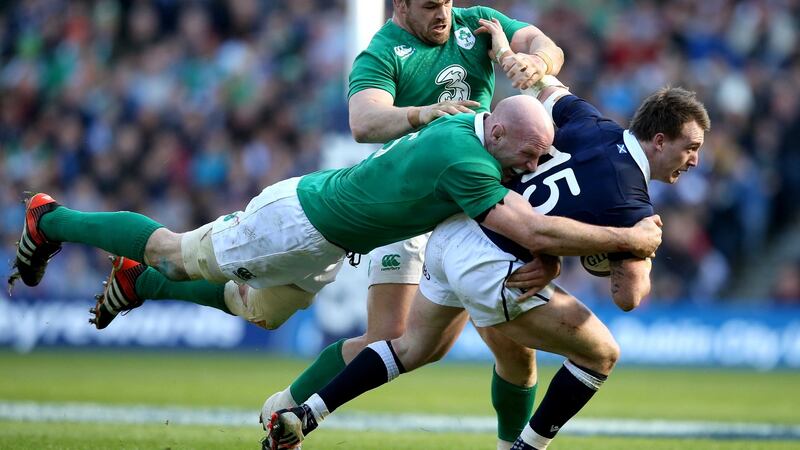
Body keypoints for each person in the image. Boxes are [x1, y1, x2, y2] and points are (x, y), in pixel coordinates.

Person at [9, 94, 661, 348]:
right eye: (529, 151)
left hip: (332, 236)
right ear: (503, 134)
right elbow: (534, 229)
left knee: (259, 310)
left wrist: (547, 252)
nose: (535, 161)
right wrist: (630, 238)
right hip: (298, 222)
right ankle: (50, 219)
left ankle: (139, 284)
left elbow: (529, 224)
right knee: (174, 248)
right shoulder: (468, 164)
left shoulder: (472, 126)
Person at [265, 80, 710, 450]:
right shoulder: (633, 203)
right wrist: (639, 246)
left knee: (411, 347)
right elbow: (629, 296)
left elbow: (546, 88)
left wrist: (513, 53)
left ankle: (306, 415)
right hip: (495, 264)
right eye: (690, 147)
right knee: (600, 354)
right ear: (659, 141)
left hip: (455, 230)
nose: (694, 160)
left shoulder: (591, 121)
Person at [265, 1, 565, 448]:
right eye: (429, 5)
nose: (442, 12)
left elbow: (545, 45)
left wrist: (534, 60)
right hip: (408, 208)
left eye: (445, 2)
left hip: (472, 205)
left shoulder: (476, 23)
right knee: (389, 337)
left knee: (514, 349)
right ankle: (286, 405)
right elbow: (363, 122)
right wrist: (423, 113)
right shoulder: (383, 50)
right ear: (401, 5)